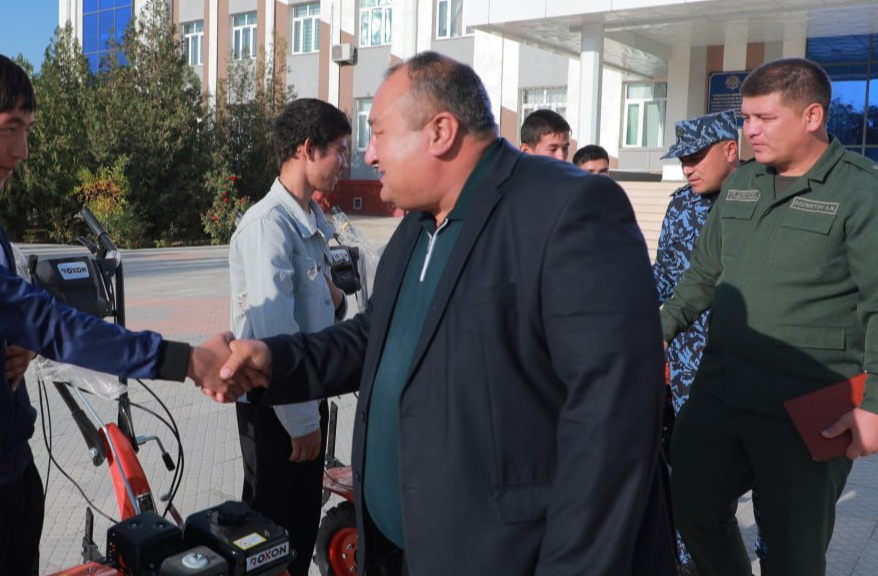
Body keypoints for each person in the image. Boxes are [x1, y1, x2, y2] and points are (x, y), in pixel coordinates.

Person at [217, 51, 675, 576]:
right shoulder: (419, 224)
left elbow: (610, 426)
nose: (369, 154)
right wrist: (272, 360)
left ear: (440, 132)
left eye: (379, 134)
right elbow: (374, 337)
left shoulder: (568, 209)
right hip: (400, 551)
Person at [0, 47, 239, 576]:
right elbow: (43, 320)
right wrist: (188, 361)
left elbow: (7, 313)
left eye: (28, 131)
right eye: (9, 129)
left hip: (8, 473)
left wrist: (13, 339)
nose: (22, 151)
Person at [661, 57, 878, 576]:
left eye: (765, 118)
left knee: (792, 552)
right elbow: (702, 275)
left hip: (808, 403)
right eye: (746, 118)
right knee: (689, 505)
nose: (750, 131)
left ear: (812, 116)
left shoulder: (860, 190)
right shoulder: (743, 182)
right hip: (722, 389)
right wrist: (656, 332)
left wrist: (873, 405)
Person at [229, 98, 350, 576]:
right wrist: (301, 422)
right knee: (272, 542)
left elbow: (318, 309)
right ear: (307, 148)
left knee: (298, 532)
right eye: (339, 150)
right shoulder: (268, 226)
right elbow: (274, 333)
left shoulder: (311, 222)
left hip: (303, 395)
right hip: (276, 407)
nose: (345, 162)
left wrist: (336, 301)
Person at [655, 110, 741, 576]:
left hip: (749, 361)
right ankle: (689, 561)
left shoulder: (760, 198)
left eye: (695, 157)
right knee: (690, 468)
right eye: (682, 159)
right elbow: (665, 276)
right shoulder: (681, 206)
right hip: (690, 363)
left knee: (766, 474)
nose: (687, 168)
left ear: (730, 149)